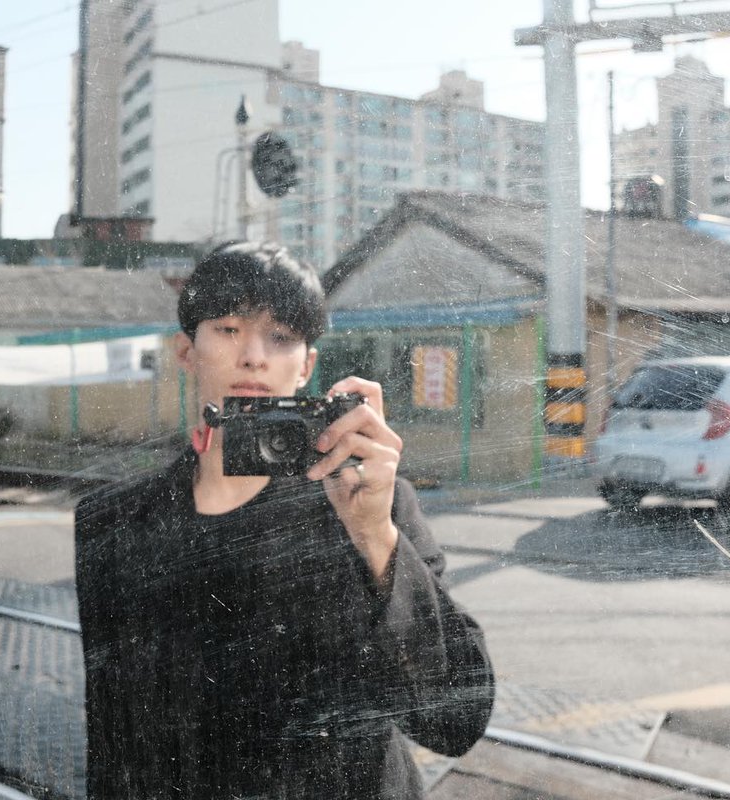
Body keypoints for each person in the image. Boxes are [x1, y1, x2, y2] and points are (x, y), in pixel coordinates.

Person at [75, 241, 495, 799]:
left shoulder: (369, 505)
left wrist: (374, 535)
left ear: (307, 367)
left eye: (280, 337)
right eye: (228, 329)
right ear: (186, 352)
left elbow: (456, 721)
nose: (254, 356)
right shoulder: (114, 523)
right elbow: (116, 738)